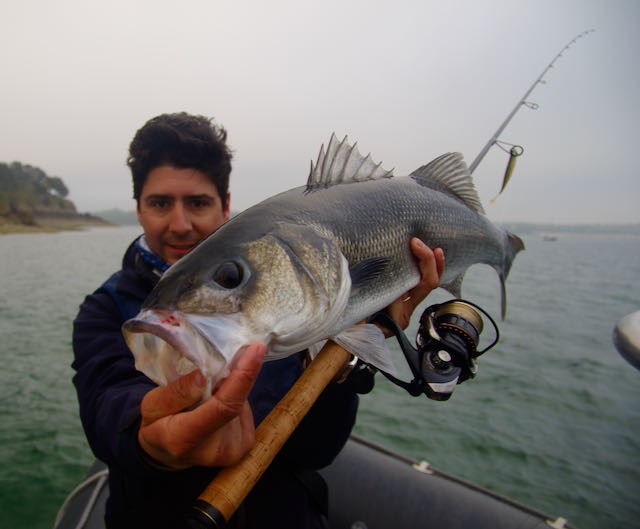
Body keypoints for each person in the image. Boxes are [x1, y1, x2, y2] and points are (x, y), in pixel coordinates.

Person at [72, 112, 445, 529]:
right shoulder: (102, 309)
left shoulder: (293, 299)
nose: (180, 224)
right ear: (138, 209)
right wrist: (146, 437)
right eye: (160, 203)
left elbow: (318, 452)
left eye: (198, 203)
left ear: (226, 204)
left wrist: (353, 343)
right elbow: (105, 408)